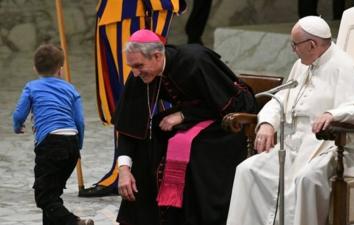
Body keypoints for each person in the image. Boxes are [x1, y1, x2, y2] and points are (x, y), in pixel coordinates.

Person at [226, 16, 354, 225]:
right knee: (247, 170)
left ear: (312, 45)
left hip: (330, 146)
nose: (292, 50)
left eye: (295, 45)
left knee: (307, 179)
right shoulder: (302, 65)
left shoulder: (345, 68)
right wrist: (267, 123)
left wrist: (334, 114)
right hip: (293, 146)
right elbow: (281, 96)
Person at [113, 29, 257, 225]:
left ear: (157, 56)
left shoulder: (196, 60)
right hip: (195, 115)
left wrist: (184, 115)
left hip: (227, 120)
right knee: (151, 138)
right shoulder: (140, 75)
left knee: (194, 148)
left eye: (139, 66)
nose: (136, 73)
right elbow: (130, 125)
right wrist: (123, 170)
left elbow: (233, 104)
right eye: (131, 67)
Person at [79, 0, 186, 197]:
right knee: (126, 89)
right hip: (114, 8)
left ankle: (156, 167)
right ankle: (124, 168)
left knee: (147, 81)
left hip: (140, 8)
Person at [12, 44, 92, 225]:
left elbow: (19, 114)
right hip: (71, 144)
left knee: (44, 197)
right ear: (60, 69)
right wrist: (78, 145)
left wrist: (17, 126)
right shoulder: (70, 89)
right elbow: (79, 121)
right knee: (52, 195)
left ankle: (75, 223)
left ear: (35, 68)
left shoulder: (31, 87)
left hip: (50, 144)